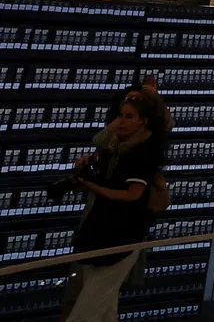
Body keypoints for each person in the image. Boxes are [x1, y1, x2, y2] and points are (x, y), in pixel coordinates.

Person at [66, 90, 165, 321]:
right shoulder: (112, 149)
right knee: (105, 309)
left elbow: (132, 195)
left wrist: (93, 187)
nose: (121, 121)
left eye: (129, 116)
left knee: (84, 313)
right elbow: (99, 142)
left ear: (144, 121)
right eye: (120, 115)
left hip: (122, 239)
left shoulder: (144, 152)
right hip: (98, 236)